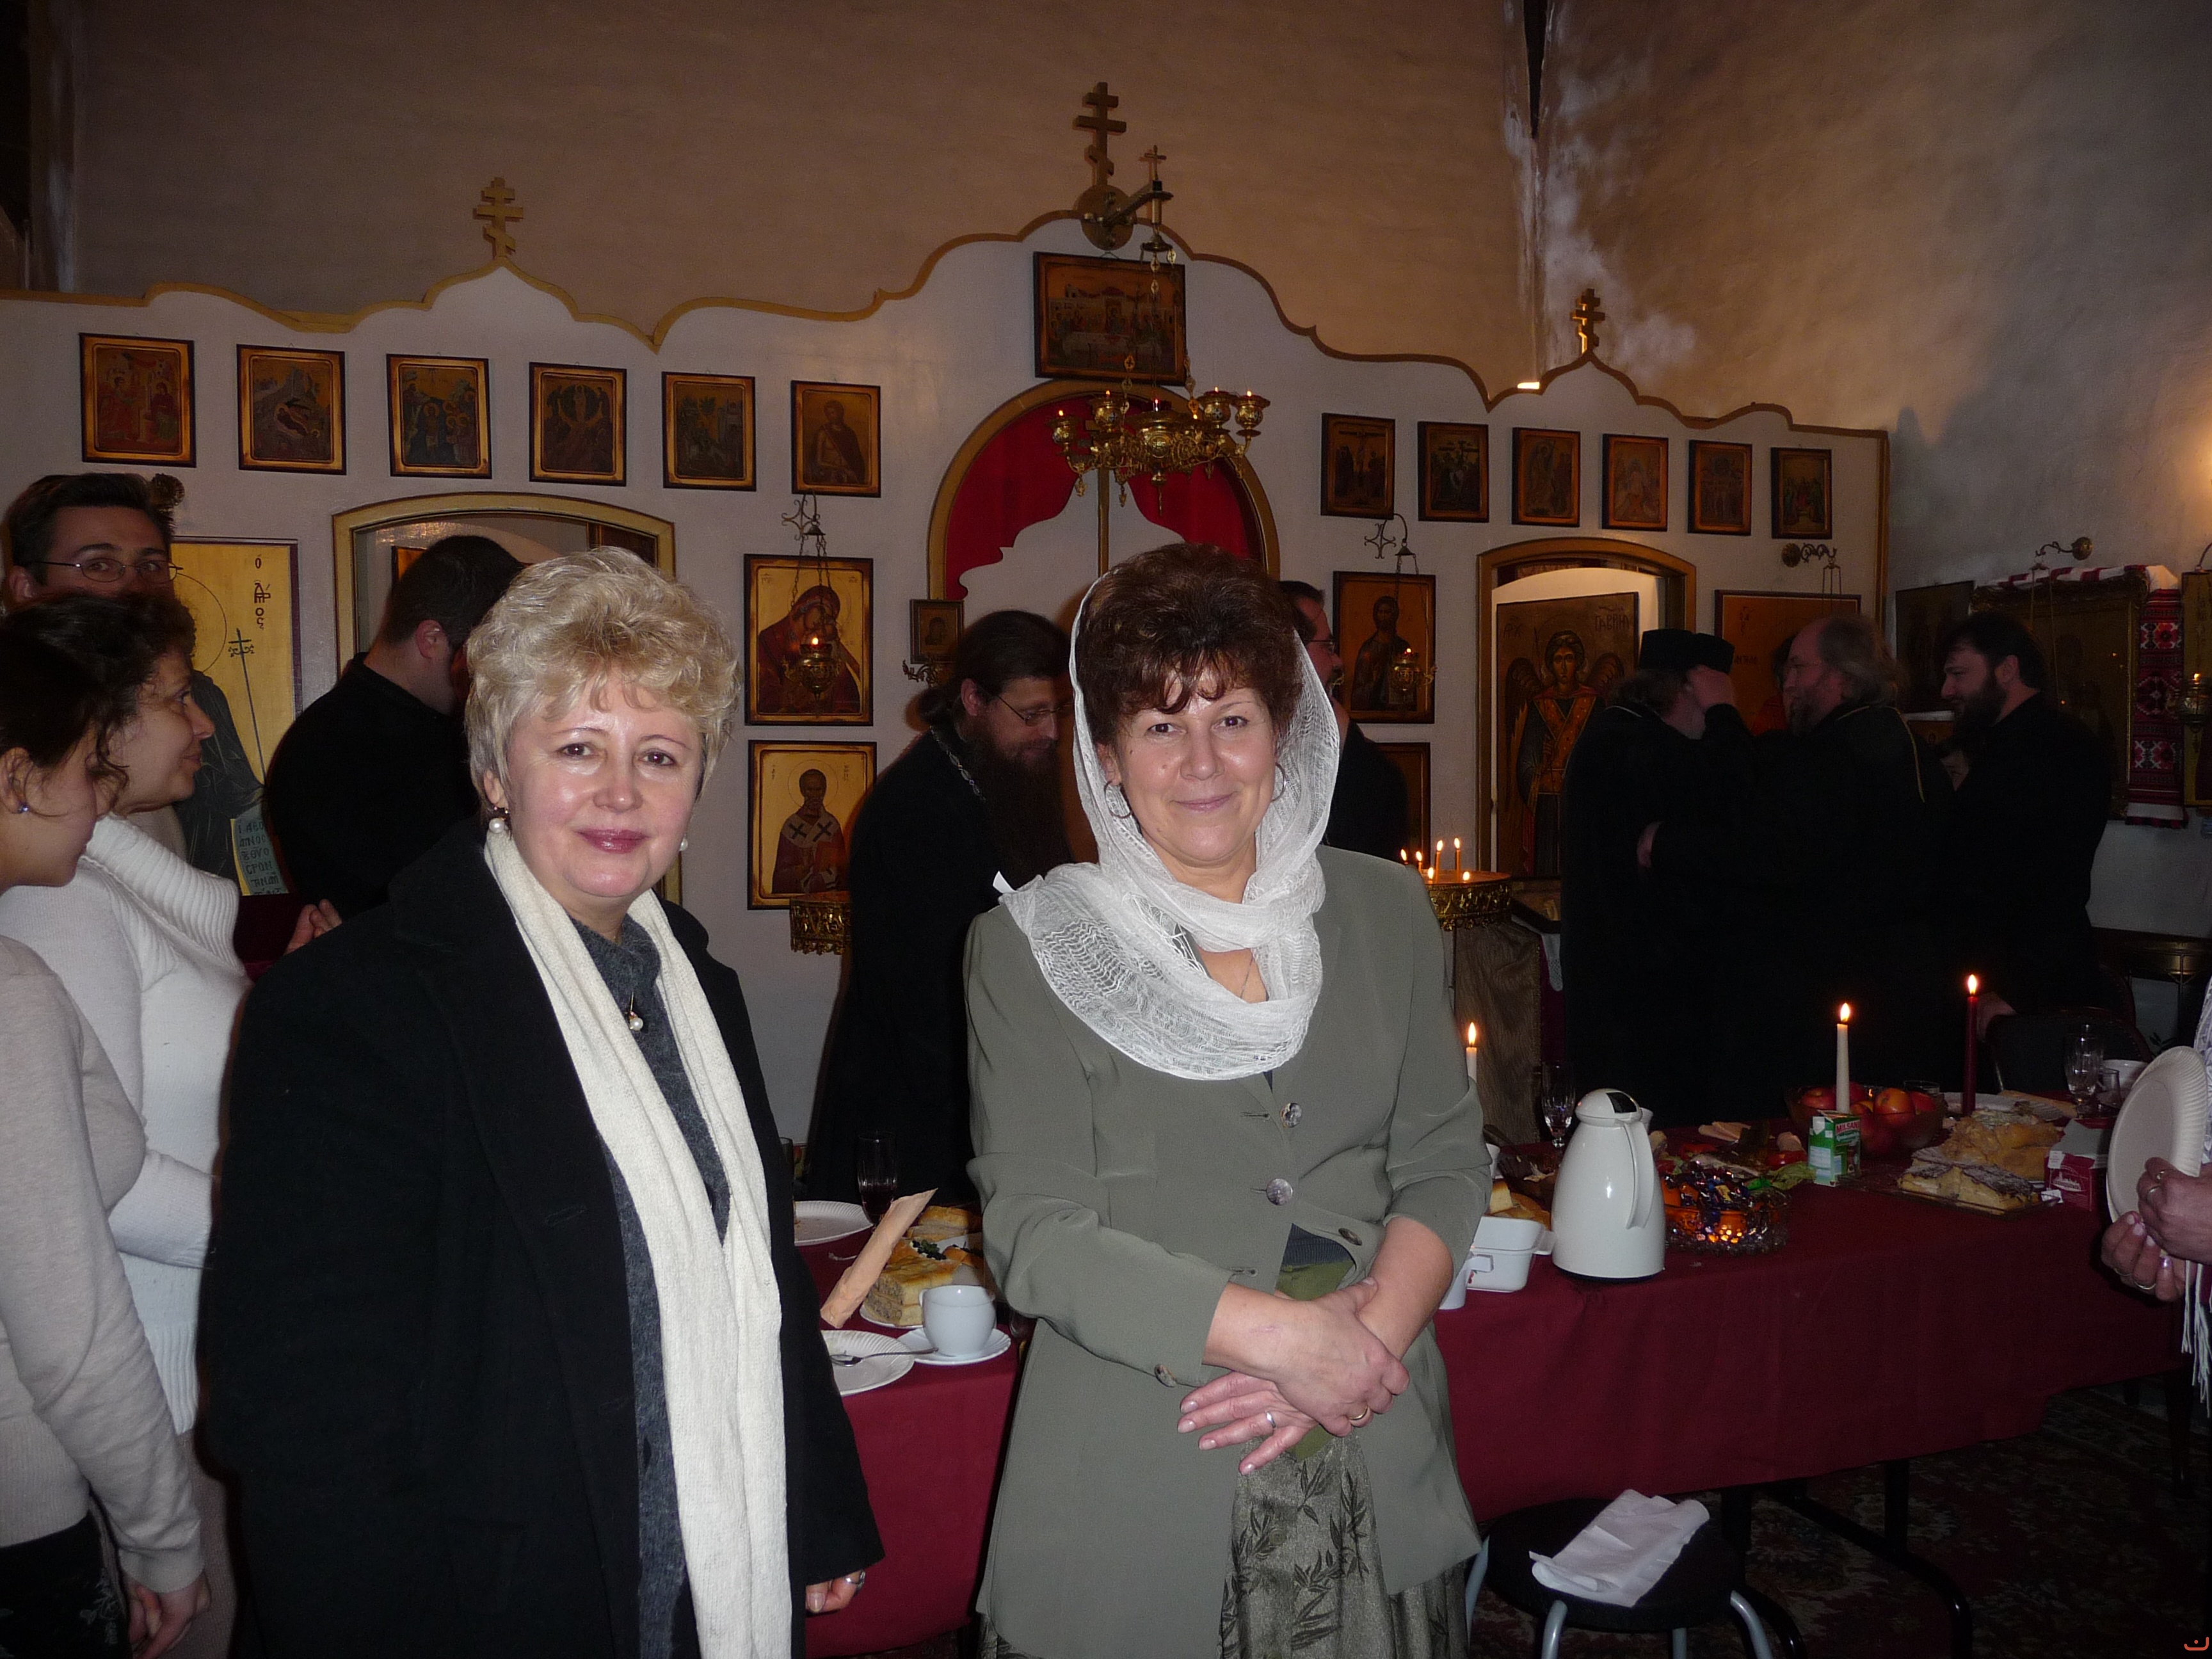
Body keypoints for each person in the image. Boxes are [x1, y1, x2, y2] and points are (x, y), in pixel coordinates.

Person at [204, 548, 878, 1659]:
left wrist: (815, 1507)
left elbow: (754, 1274)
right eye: (576, 747)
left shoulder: (696, 988)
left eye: (658, 754)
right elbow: (304, 1415)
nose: (621, 792)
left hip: (706, 1570)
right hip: (481, 1593)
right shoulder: (358, 1007)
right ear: (494, 771)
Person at [967, 543, 1486, 1657]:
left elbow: (1445, 1160)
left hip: (1368, 1442)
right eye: (1161, 726)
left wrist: (1359, 1348)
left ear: (1285, 734)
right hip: (1141, 1469)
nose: (1201, 761)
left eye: (1233, 718)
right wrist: (1286, 1342)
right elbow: (1036, 1236)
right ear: (1107, 755)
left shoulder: (1386, 910)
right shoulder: (1031, 949)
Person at [0, 593, 334, 1659]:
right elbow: (95, 1185)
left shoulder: (112, 885)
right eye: (177, 698)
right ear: (96, 727)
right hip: (139, 1380)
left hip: (186, 1355)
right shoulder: (59, 900)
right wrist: (285, 1236)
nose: (202, 725)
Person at [0, 612, 209, 1658]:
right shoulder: (15, 987)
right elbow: (71, 1327)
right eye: (87, 765)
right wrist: (163, 1540)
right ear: (17, 779)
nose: (98, 797)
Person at [806, 611, 1072, 1206]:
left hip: (988, 1089)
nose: (1051, 732)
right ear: (974, 700)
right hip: (921, 1112)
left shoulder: (1011, 781)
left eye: (1059, 711)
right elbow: (930, 1000)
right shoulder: (913, 810)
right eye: (1031, 714)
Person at [1650, 612, 1952, 1113]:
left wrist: (1666, 843)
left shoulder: (1831, 756)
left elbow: (1766, 852)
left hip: (1828, 993)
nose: (1787, 684)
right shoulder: (1909, 746)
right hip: (1900, 989)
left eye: (1798, 668)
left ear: (1844, 676)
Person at [3, 471, 260, 880]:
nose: (136, 587)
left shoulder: (187, 716)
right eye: (99, 565)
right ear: (27, 589)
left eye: (151, 565)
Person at [262, 533, 522, 917]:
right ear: (432, 640)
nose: (499, 674)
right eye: (488, 653)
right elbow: (443, 903)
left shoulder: (427, 727)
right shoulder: (332, 752)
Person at [1560, 629, 1749, 1127]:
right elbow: (1739, 797)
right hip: (1652, 999)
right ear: (1688, 690)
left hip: (1616, 985)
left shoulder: (1612, 735)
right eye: (1712, 700)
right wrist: (1725, 716)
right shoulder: (1646, 748)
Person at [1934, 610, 2112, 1027]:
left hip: (2028, 994)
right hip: (1994, 977)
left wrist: (2019, 988)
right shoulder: (2000, 745)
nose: (1947, 690)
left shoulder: (2058, 748)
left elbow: (2056, 880)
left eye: (1958, 674)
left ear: (2007, 669)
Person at [1281, 579, 1409, 862]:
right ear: (1290, 653)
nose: (1338, 661)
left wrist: (1343, 736)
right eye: (1327, 647)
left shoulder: (1356, 757)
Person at [1508, 629, 1604, 878]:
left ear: (1578, 662)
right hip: (1548, 802)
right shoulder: (1541, 704)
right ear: (1550, 664)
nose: (1563, 667)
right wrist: (1541, 764)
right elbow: (1526, 763)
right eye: (1558, 660)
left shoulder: (1593, 702)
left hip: (1582, 798)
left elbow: (1604, 754)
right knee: (1548, 870)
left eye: (1569, 659)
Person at [769, 769, 848, 894]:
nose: (814, 795)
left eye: (819, 790)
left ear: (825, 790)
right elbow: (780, 876)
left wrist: (828, 876)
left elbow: (843, 867)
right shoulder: (791, 826)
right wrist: (798, 871)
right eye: (810, 790)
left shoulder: (831, 825)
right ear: (802, 791)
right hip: (799, 894)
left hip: (827, 895)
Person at [1346, 591, 1416, 714]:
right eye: (1381, 612)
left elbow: (1410, 684)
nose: (1384, 616)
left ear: (1394, 615)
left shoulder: (1402, 646)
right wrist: (1374, 681)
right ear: (1376, 615)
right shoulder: (1368, 648)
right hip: (1374, 707)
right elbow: (1358, 692)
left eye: (1388, 612)